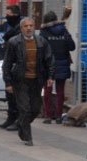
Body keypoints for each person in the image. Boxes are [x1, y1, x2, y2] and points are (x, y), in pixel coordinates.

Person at [3, 17, 54, 146]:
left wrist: (50, 77)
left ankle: (21, 123)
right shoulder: (14, 42)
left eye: (31, 25)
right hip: (20, 80)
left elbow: (49, 60)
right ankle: (27, 137)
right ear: (21, 29)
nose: (29, 28)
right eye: (26, 26)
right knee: (24, 109)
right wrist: (8, 82)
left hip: (37, 80)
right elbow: (7, 63)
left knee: (36, 109)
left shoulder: (42, 42)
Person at [40, 11, 76, 124]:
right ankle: (59, 116)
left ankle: (48, 116)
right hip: (63, 63)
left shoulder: (44, 32)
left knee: (48, 90)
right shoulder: (64, 31)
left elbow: (41, 50)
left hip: (48, 65)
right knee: (60, 91)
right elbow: (72, 47)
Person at [0, 5, 22, 131]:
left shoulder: (20, 29)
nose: (7, 17)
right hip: (9, 65)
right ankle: (11, 117)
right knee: (9, 94)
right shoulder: (12, 29)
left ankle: (19, 120)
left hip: (17, 66)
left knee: (17, 95)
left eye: (9, 15)